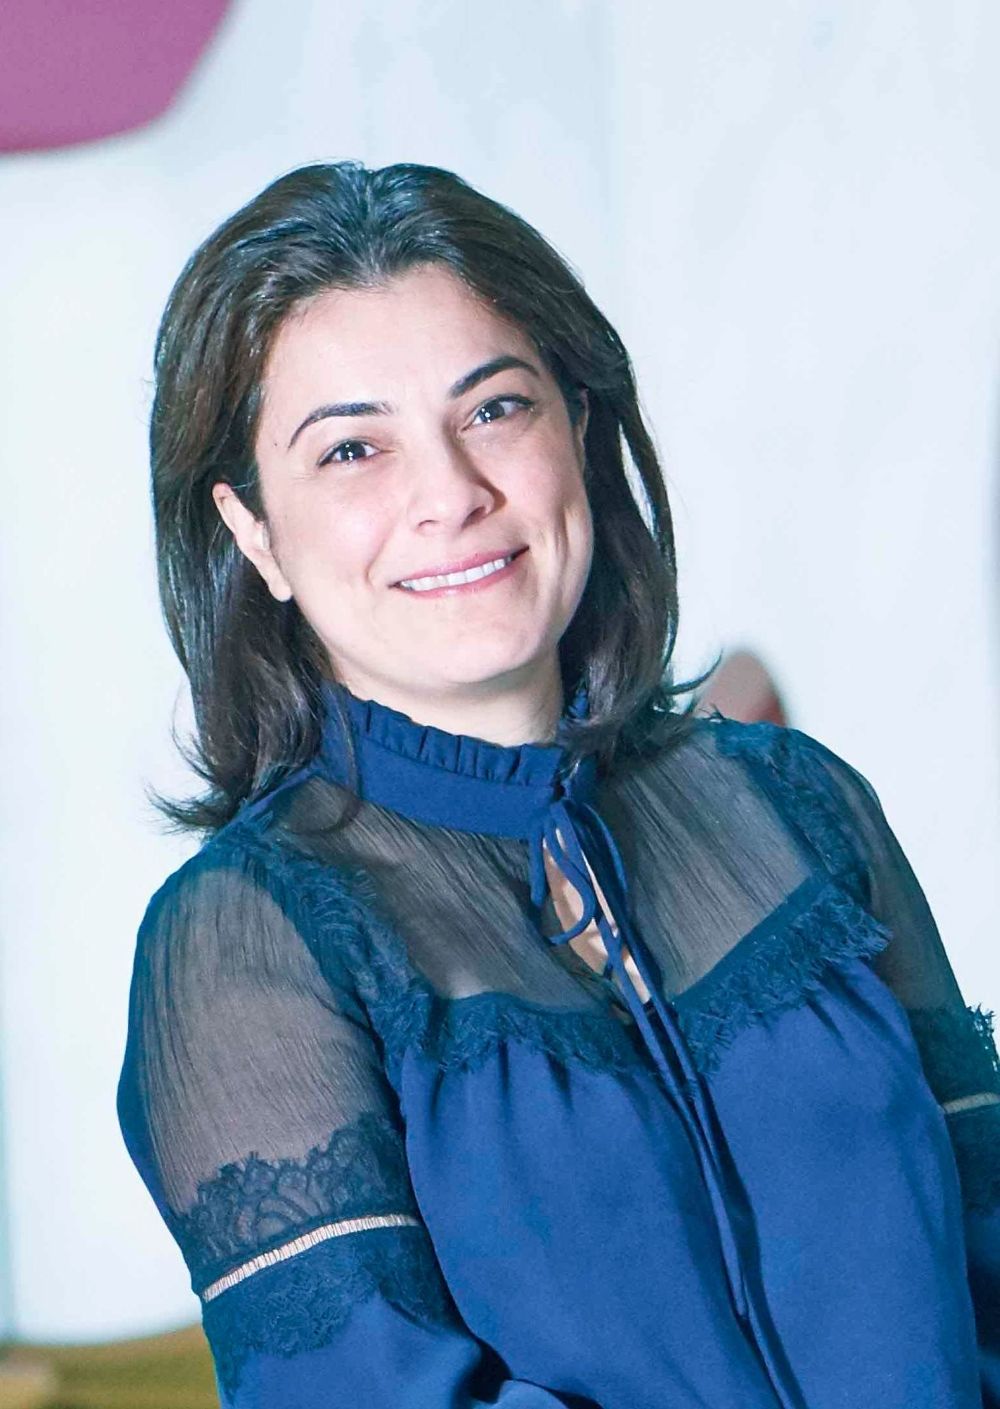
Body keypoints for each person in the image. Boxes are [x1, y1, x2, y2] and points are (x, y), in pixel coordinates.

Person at [117, 160, 999, 1409]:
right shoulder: (247, 940)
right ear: (254, 531)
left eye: (493, 409)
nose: (450, 494)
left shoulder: (800, 804)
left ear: (578, 430)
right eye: (353, 448)